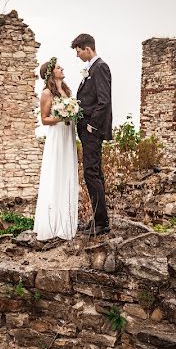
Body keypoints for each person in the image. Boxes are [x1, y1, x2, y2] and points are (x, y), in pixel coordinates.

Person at [32, 58, 80, 241]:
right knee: (55, 172)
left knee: (67, 171)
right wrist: (62, 117)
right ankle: (51, 223)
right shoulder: (46, 93)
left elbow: (72, 109)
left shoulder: (66, 91)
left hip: (68, 134)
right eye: (59, 67)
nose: (62, 68)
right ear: (51, 73)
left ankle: (66, 223)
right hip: (57, 135)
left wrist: (71, 113)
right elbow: (44, 120)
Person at [72, 34, 112, 235]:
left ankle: (101, 223)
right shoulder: (91, 69)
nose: (77, 55)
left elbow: (104, 101)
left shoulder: (100, 67)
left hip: (92, 130)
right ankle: (99, 218)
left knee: (91, 173)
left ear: (87, 48)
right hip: (87, 129)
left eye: (78, 51)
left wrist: (92, 126)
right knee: (95, 172)